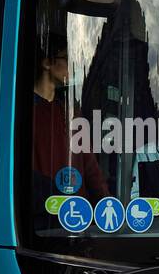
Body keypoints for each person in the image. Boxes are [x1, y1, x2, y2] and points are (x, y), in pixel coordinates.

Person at [31, 31, 109, 207]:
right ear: (47, 62)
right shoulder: (21, 111)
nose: (73, 66)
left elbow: (91, 168)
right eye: (68, 58)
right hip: (42, 212)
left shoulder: (71, 111)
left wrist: (106, 205)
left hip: (76, 214)